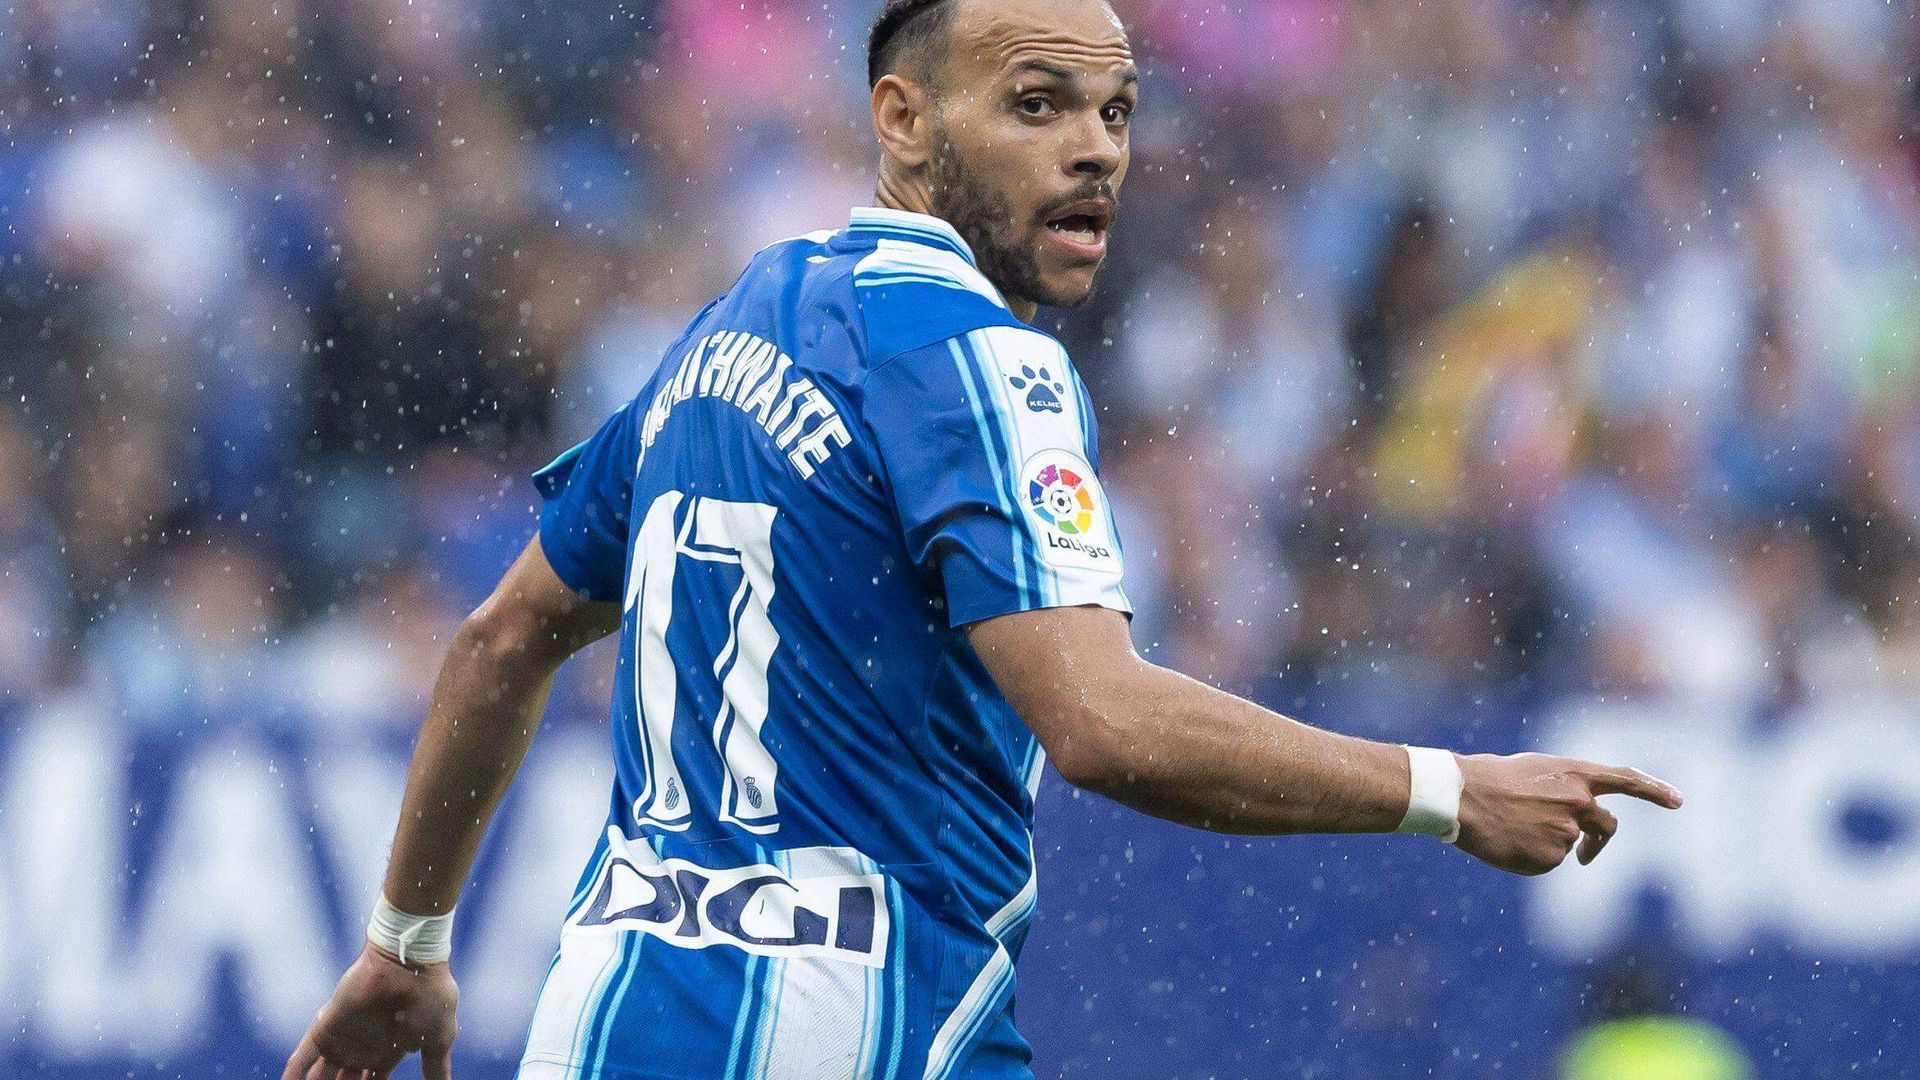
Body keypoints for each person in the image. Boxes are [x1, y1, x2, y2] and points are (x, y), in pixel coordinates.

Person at [282, 1, 1684, 1077]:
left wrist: (405, 943)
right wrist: (1448, 790)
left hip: (603, 1018)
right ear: (902, 120)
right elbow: (1102, 724)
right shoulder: (977, 359)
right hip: (857, 1024)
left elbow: (503, 637)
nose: (1097, 148)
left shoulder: (735, 322)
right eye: (1036, 103)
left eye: (1117, 110)